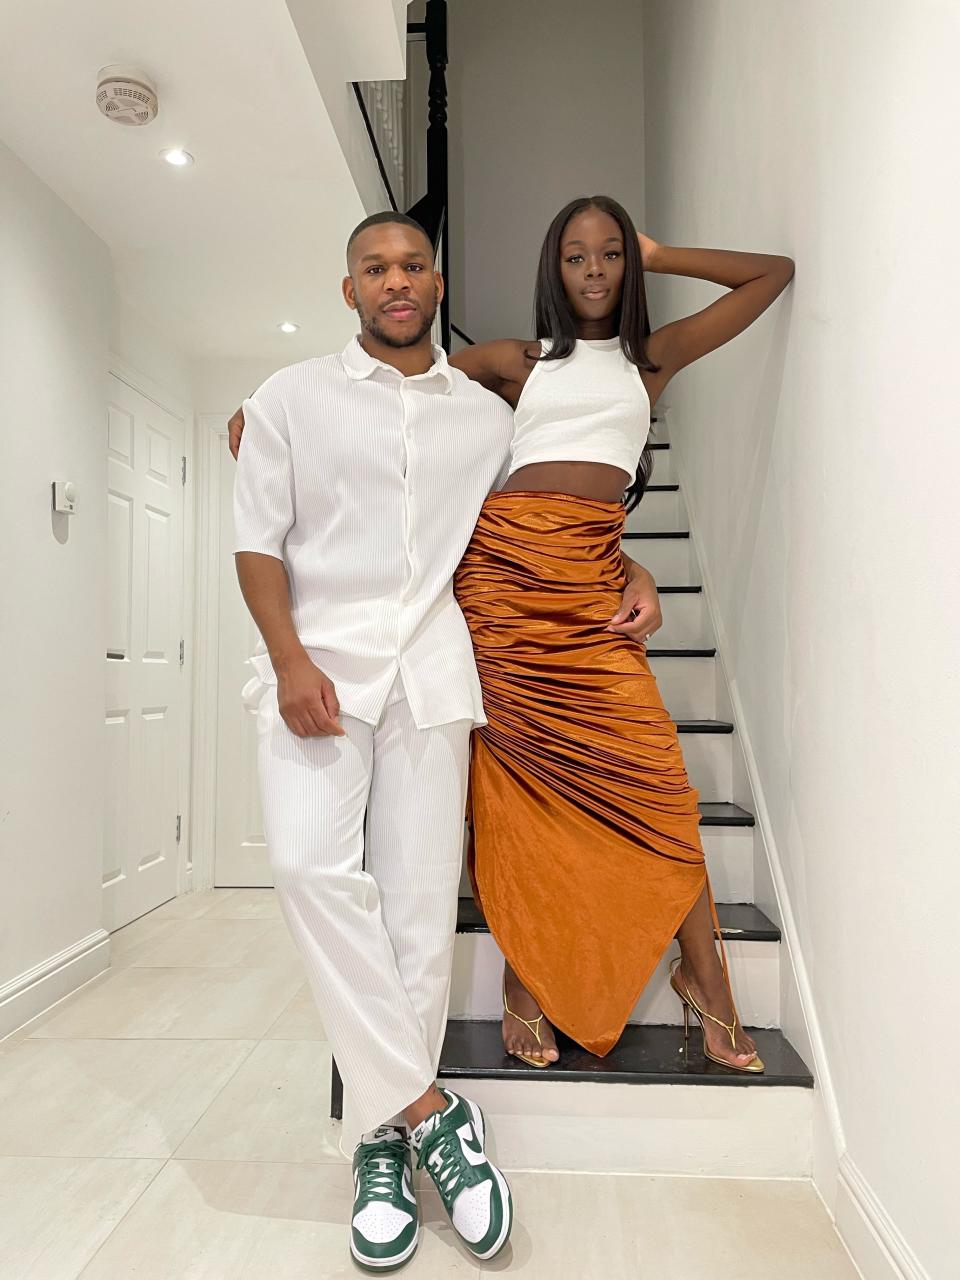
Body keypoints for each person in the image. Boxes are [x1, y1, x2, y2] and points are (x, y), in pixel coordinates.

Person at [230, 209, 662, 1272]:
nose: (395, 279)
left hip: (432, 676)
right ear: (350, 290)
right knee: (306, 865)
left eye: (412, 263)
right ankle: (429, 1110)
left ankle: (378, 1143)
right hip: (318, 672)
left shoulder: (487, 418)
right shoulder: (288, 398)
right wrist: (288, 656)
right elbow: (255, 542)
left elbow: (557, 504)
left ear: (435, 280)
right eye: (375, 266)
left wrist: (636, 570)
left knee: (420, 914)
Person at [449, 195, 795, 1071]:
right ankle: (526, 980)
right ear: (552, 270)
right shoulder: (514, 362)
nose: (596, 270)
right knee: (520, 798)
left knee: (657, 783)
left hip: (590, 591)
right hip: (504, 592)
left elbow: (771, 276)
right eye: (577, 255)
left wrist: (662, 251)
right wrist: (272, 411)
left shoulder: (652, 363)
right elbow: (390, 393)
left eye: (610, 255)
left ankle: (704, 977)